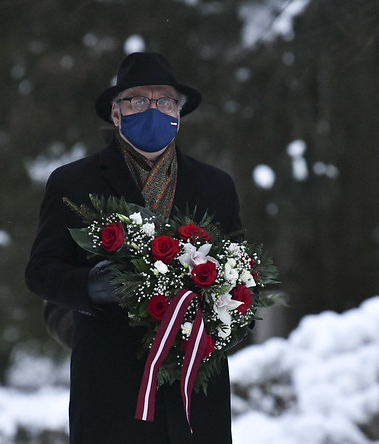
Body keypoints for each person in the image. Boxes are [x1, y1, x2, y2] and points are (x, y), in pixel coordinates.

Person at [25, 52, 241, 444]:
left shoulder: (216, 186)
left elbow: (244, 279)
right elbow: (40, 271)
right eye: (138, 100)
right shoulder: (73, 183)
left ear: (180, 111)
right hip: (110, 393)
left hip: (195, 397)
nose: (153, 110)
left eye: (165, 101)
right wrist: (88, 285)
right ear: (115, 113)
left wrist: (223, 322)